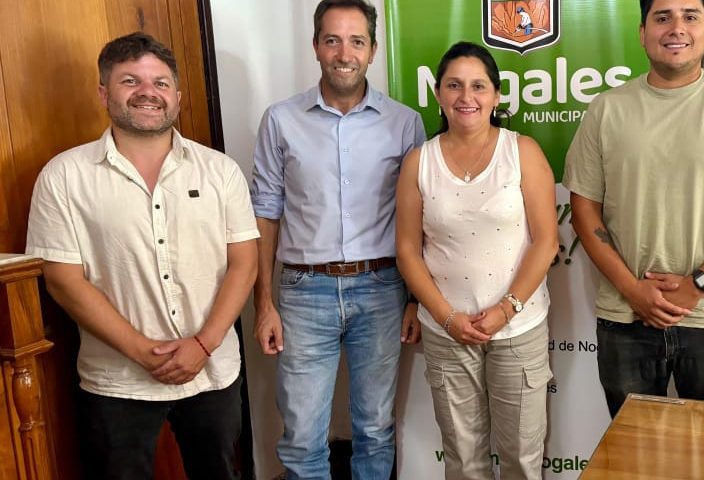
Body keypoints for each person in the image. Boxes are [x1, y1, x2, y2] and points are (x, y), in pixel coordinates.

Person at [25, 32, 258, 479]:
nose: (148, 92)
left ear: (177, 97)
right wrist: (142, 351)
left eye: (161, 83)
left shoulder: (220, 171)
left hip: (211, 370)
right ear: (103, 93)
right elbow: (62, 279)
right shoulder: (64, 177)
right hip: (117, 379)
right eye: (130, 81)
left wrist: (203, 344)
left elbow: (244, 263)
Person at [563, 0, 704, 418]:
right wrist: (632, 290)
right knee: (633, 450)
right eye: (662, 17)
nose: (676, 28)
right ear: (642, 32)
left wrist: (698, 284)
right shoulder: (606, 109)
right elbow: (584, 212)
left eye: (690, 17)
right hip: (627, 319)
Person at [249, 0, 426, 478]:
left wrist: (415, 299)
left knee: (375, 430)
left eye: (356, 41)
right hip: (304, 292)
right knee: (302, 436)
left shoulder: (404, 123)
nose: (344, 53)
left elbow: (417, 219)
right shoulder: (281, 120)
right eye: (332, 40)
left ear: (372, 50)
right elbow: (265, 214)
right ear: (315, 46)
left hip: (383, 289)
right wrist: (263, 303)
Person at [396, 41, 558, 480]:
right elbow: (408, 250)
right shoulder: (419, 162)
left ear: (496, 95)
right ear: (438, 94)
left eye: (478, 86)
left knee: (521, 459)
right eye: (454, 85)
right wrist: (447, 317)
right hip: (446, 332)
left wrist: (506, 309)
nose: (466, 96)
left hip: (518, 329)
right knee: (463, 461)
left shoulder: (522, 152)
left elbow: (546, 242)